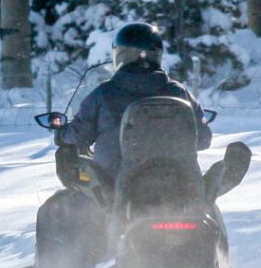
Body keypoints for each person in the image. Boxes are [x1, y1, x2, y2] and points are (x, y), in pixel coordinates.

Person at [63, 20, 212, 197]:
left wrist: (62, 133)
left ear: (119, 55)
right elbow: (203, 138)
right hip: (177, 186)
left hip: (115, 187)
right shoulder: (178, 92)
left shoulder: (103, 94)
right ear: (157, 55)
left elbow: (78, 137)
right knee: (207, 211)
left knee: (77, 208)